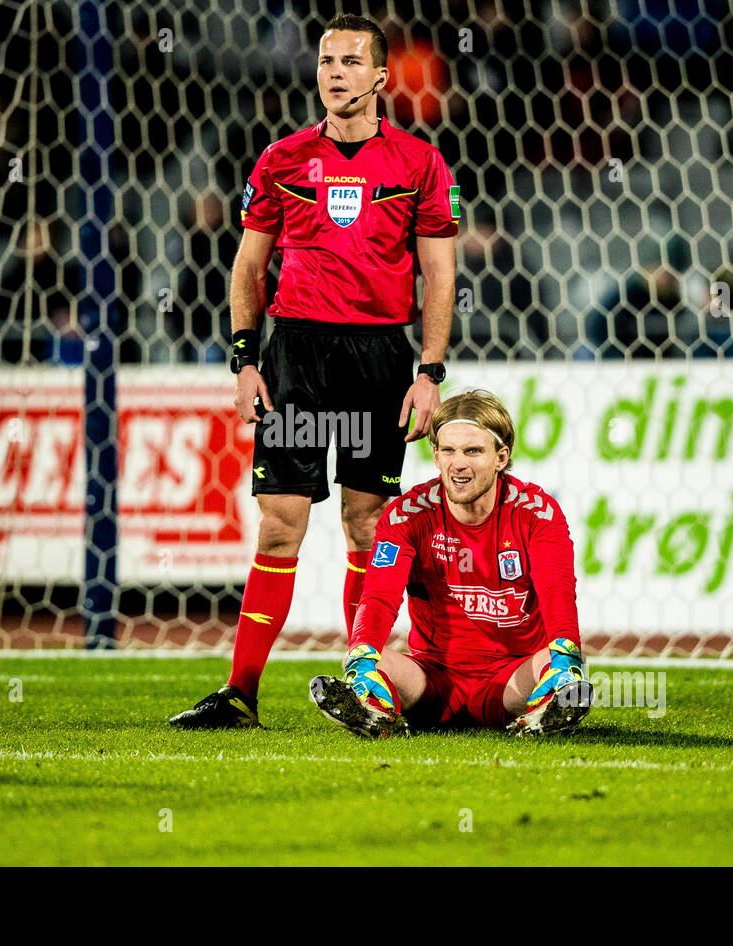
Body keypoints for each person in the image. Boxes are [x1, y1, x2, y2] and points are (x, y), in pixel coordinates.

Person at [170, 14, 459, 728]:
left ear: (382, 77)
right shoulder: (282, 159)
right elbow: (248, 267)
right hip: (295, 354)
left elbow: (439, 277)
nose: (335, 72)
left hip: (378, 358)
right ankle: (239, 693)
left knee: (368, 527)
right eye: (327, 60)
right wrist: (244, 361)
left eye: (352, 61)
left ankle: (364, 681)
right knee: (279, 525)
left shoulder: (420, 164)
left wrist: (429, 374)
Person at [309, 390, 593, 738]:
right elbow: (379, 598)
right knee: (365, 660)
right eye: (448, 450)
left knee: (563, 663)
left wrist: (566, 659)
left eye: (473, 451)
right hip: (431, 681)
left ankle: (548, 705)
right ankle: (373, 712)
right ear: (435, 454)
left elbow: (557, 592)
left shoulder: (538, 513)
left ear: (501, 457)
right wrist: (362, 660)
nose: (458, 463)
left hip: (511, 680)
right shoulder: (406, 516)